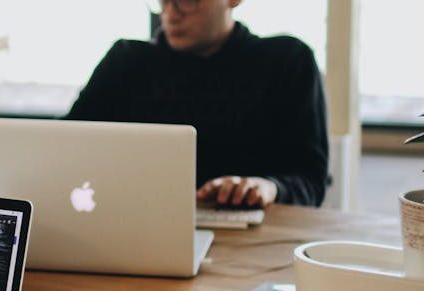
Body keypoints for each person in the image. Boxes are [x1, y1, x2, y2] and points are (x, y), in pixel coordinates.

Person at [66, 0, 328, 208]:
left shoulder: (288, 61)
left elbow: (311, 181)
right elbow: (65, 146)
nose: (171, 13)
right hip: (136, 229)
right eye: (163, 1)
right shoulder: (125, 61)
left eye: (188, 1)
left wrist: (269, 187)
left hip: (253, 241)